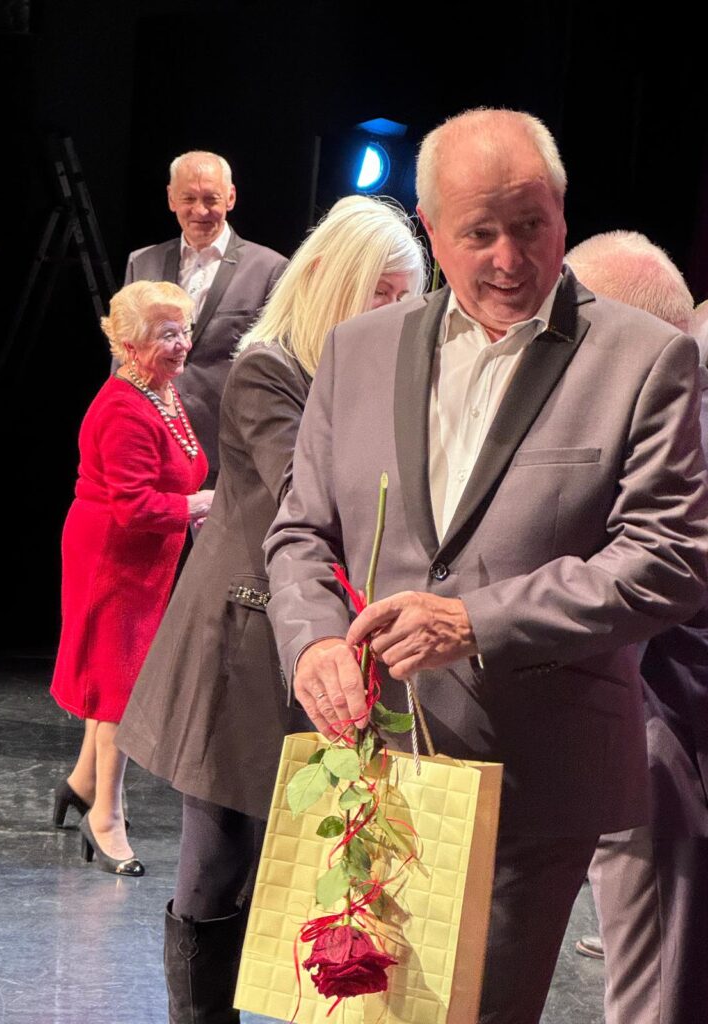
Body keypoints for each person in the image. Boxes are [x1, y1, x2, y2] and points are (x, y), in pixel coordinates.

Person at [264, 109, 708, 1024]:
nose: (511, 259)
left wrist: (477, 622)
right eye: (480, 234)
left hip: (534, 774)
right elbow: (300, 533)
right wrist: (311, 642)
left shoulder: (645, 357)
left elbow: (668, 557)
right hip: (366, 766)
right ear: (432, 230)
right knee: (353, 1011)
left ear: (563, 211)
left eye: (532, 225)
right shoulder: (357, 351)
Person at [116, 195, 426, 1022]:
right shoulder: (269, 369)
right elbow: (310, 495)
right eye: (381, 292)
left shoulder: (375, 380)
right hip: (241, 641)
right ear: (332, 280)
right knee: (219, 855)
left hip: (317, 638)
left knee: (299, 860)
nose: (395, 313)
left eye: (406, 297)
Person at [564, 231, 708, 1024]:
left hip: (656, 749)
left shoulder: (677, 441)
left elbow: (630, 603)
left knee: (655, 997)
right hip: (653, 742)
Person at [51, 280, 211, 877]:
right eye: (167, 334)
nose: (182, 343)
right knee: (119, 689)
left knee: (114, 677)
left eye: (184, 330)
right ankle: (105, 818)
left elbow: (176, 471)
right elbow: (135, 506)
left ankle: (80, 783)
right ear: (129, 345)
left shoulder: (161, 391)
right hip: (111, 559)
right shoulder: (123, 407)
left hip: (143, 559)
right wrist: (198, 504)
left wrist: (190, 505)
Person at [124, 150, 287, 484]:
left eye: (211, 199)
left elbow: (276, 367)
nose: (200, 210)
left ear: (231, 197)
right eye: (188, 198)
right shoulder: (142, 263)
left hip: (228, 450)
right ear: (171, 198)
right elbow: (123, 351)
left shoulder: (270, 269)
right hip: (149, 442)